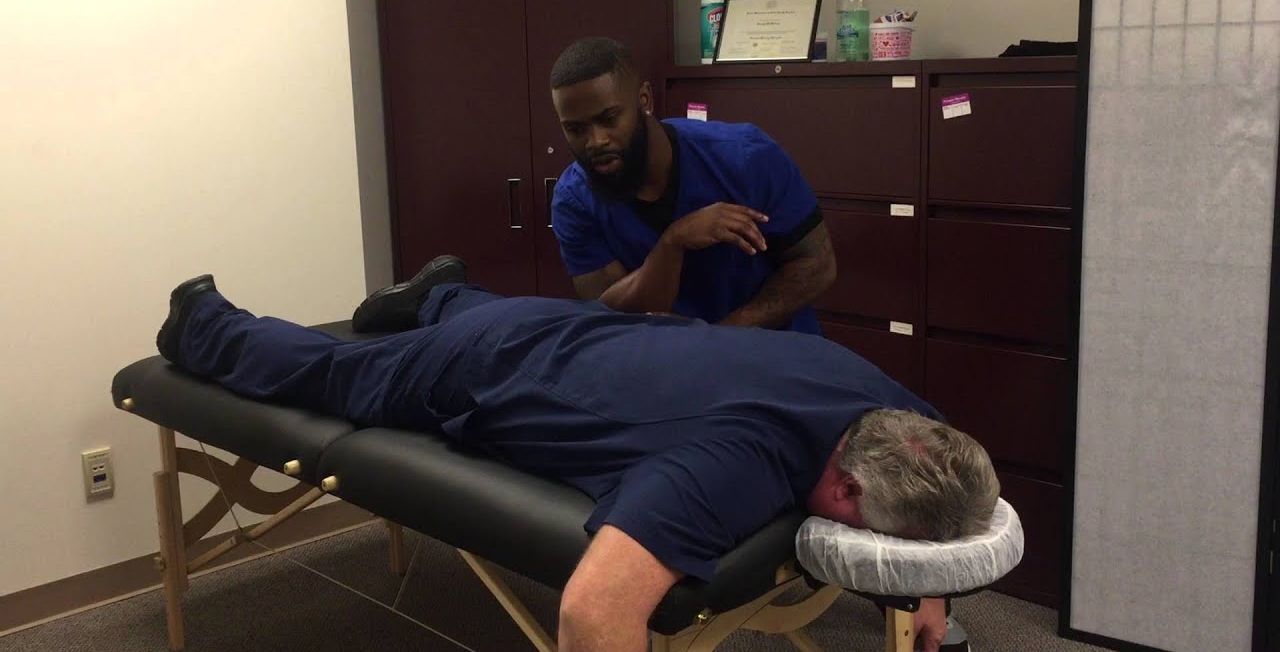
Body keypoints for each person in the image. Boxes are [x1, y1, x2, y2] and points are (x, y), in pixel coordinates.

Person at [159, 257, 999, 652]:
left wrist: (924, 589)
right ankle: (202, 321)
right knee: (331, 376)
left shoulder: (890, 406)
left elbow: (936, 488)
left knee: (498, 315)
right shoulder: (737, 464)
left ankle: (439, 293)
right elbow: (593, 615)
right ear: (845, 491)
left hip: (572, 328)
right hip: (484, 368)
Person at [548, 37, 837, 334]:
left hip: (771, 350)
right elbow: (611, 317)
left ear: (644, 100)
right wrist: (671, 244)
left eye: (609, 119)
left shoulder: (745, 158)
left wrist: (717, 338)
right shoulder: (574, 199)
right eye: (575, 129)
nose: (596, 141)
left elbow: (817, 265)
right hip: (661, 357)